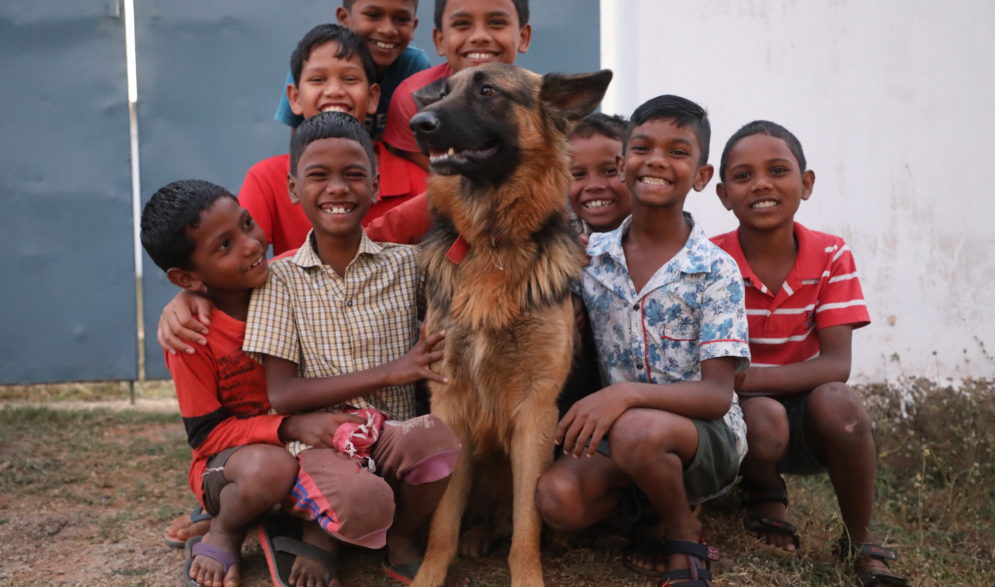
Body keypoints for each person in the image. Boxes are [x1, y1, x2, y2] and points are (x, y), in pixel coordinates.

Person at [534, 95, 751, 587]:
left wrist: (624, 393)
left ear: (699, 176)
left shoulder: (715, 269)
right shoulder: (592, 257)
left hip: (704, 438)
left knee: (636, 430)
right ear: (626, 162)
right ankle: (643, 509)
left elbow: (717, 397)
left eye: (677, 152)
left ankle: (684, 532)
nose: (656, 160)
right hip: (620, 435)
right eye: (642, 148)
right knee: (557, 499)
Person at [242, 111, 462, 586]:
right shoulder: (278, 279)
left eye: (353, 175)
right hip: (321, 440)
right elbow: (282, 394)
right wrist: (390, 372)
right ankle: (320, 529)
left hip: (392, 436)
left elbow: (466, 280)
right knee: (365, 502)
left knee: (437, 439)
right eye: (318, 176)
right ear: (293, 188)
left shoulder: (407, 264)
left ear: (376, 185)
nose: (337, 188)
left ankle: (401, 538)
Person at [711, 120, 907, 587]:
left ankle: (859, 540)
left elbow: (836, 365)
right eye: (743, 176)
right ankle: (763, 493)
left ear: (806, 183)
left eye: (777, 170)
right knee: (762, 417)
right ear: (723, 195)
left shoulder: (831, 254)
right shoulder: (710, 260)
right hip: (739, 417)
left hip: (797, 409)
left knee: (841, 403)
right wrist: (737, 390)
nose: (760, 184)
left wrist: (742, 379)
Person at [140, 179, 363, 587]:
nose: (250, 244)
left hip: (309, 446)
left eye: (247, 223)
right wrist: (287, 426)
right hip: (238, 464)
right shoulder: (191, 334)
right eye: (224, 245)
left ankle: (289, 524)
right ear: (187, 278)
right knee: (269, 468)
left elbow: (373, 235)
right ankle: (226, 529)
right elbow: (206, 436)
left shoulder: (298, 276)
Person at [238, 23, 427, 257]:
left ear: (373, 97)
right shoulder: (266, 179)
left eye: (350, 79)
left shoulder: (419, 183)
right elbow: (239, 261)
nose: (334, 91)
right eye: (318, 80)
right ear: (294, 98)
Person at [381, 0, 533, 170]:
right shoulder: (415, 98)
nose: (479, 37)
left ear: (523, 37)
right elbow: (426, 184)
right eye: (462, 24)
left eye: (497, 23)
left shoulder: (537, 96)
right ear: (440, 41)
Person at [274, 0, 430, 140]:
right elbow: (300, 140)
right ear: (344, 18)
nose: (388, 30)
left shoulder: (414, 66)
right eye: (373, 15)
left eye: (402, 19)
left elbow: (416, 145)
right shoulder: (314, 60)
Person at [566, 112, 631, 235]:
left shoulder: (667, 238)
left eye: (610, 171)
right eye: (578, 175)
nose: (594, 185)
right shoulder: (557, 242)